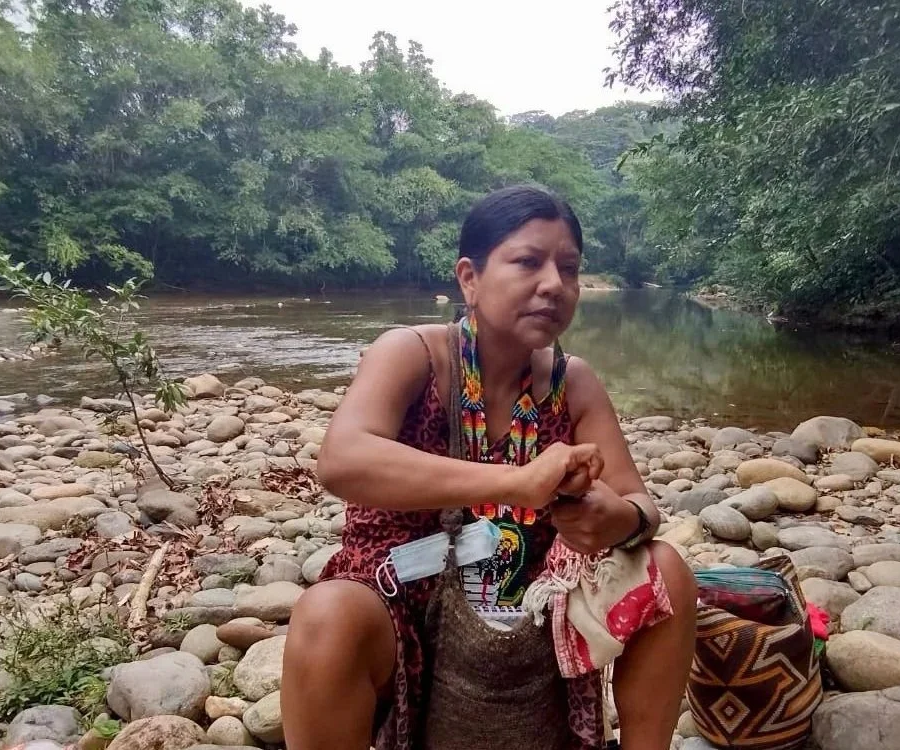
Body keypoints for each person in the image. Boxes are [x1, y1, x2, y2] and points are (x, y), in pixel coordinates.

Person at [281, 185, 698, 750]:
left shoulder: (573, 383)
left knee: (665, 569)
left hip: (534, 605)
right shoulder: (412, 353)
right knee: (326, 613)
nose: (554, 284)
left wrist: (615, 519)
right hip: (404, 592)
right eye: (528, 261)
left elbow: (641, 506)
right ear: (469, 278)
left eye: (569, 268)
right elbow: (342, 459)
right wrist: (517, 484)